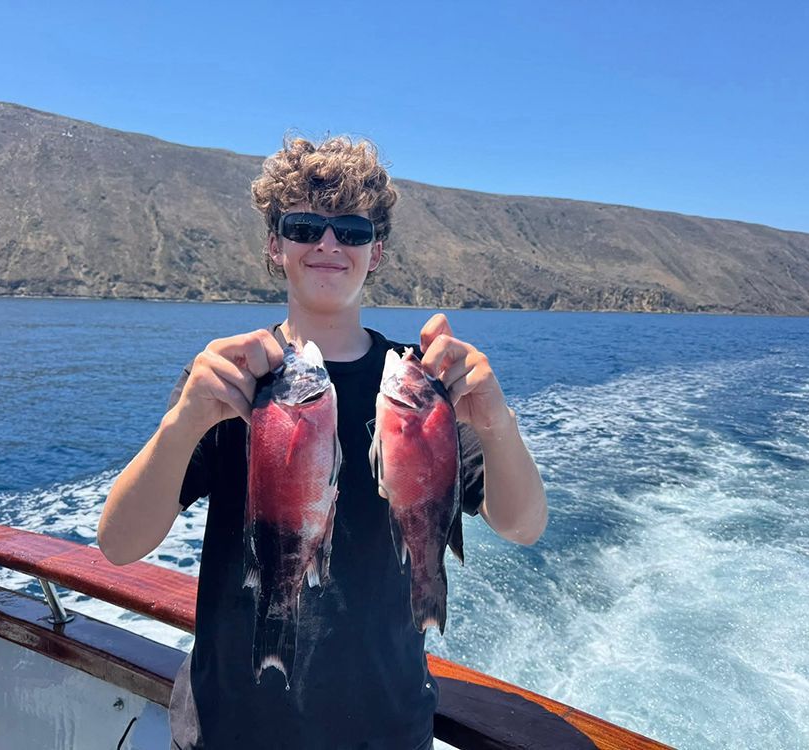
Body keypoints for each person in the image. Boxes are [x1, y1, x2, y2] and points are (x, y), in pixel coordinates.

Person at [97, 135, 548, 749]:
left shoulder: (416, 384)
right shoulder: (232, 379)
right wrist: (183, 421)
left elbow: (522, 525)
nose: (329, 244)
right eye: (306, 225)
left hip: (384, 731)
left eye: (353, 230)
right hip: (230, 730)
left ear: (377, 250)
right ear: (275, 245)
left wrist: (498, 423)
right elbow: (120, 544)